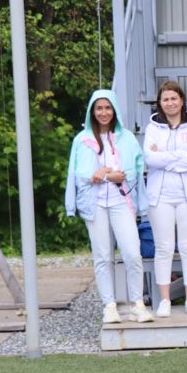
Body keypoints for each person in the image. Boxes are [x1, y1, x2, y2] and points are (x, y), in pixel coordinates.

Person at [66, 89, 153, 325]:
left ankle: (137, 304)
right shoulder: (81, 140)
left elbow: (135, 168)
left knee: (132, 253)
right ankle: (109, 305)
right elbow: (78, 174)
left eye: (107, 108)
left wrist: (116, 175)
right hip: (94, 204)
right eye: (99, 108)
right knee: (103, 255)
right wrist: (103, 176)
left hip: (121, 201)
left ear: (114, 110)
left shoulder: (126, 138)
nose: (103, 112)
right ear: (92, 112)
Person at [144, 80, 187, 317]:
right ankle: (165, 300)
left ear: (181, 100)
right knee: (164, 247)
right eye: (165, 99)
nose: (170, 103)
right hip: (160, 196)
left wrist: (167, 157)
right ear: (160, 103)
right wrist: (180, 156)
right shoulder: (153, 128)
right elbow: (150, 159)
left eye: (174, 98)